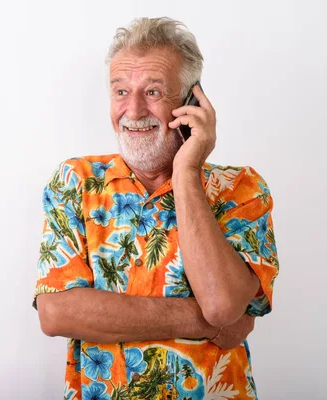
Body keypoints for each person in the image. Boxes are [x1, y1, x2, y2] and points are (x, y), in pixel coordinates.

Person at [33, 17, 279, 400]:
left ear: (191, 103)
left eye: (153, 91)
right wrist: (203, 321)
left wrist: (186, 171)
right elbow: (56, 314)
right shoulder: (75, 182)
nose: (132, 110)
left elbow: (222, 303)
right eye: (120, 91)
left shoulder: (243, 189)